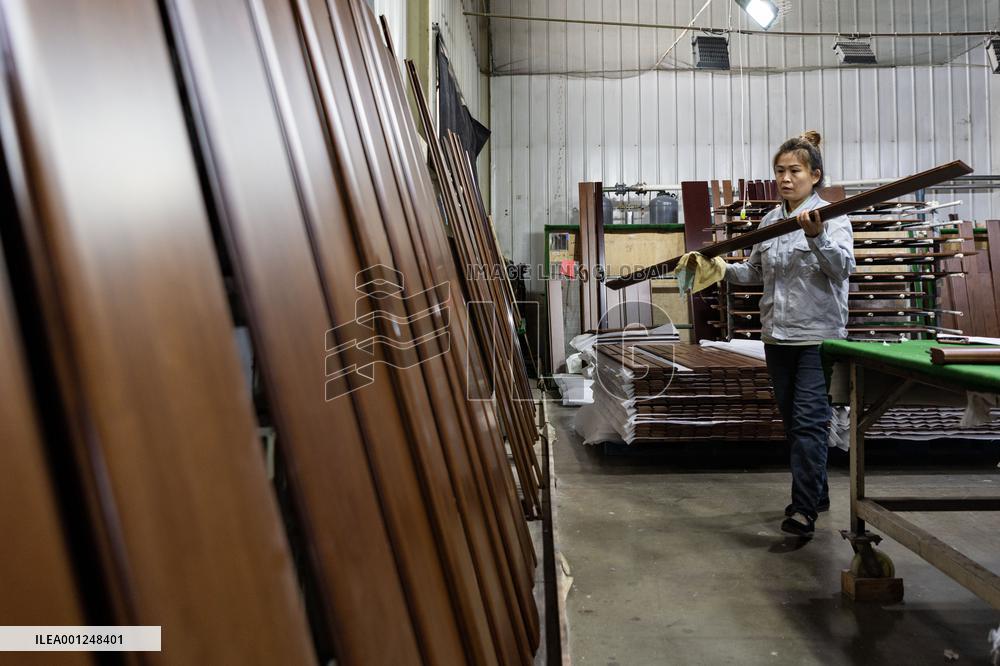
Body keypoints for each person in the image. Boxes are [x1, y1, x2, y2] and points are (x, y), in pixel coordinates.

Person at [680, 131, 854, 536]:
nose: (785, 178)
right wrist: (720, 269)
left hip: (818, 339)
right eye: (780, 171)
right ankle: (819, 493)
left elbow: (844, 268)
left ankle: (803, 511)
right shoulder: (771, 222)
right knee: (795, 424)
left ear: (815, 175)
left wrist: (816, 237)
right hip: (777, 339)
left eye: (795, 171)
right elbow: (756, 272)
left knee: (810, 423)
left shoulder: (833, 218)